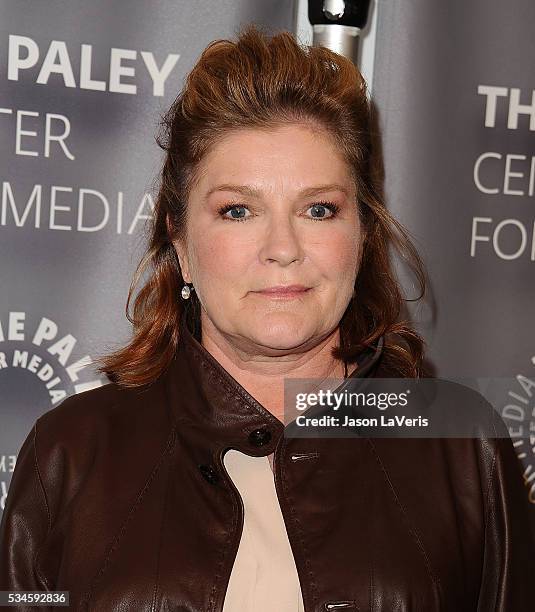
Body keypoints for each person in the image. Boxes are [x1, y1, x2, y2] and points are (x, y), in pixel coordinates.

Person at [1, 23, 534, 611]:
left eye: (318, 208)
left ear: (361, 233)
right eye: (238, 210)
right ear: (180, 242)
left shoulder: (461, 445)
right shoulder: (71, 451)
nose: (283, 246)